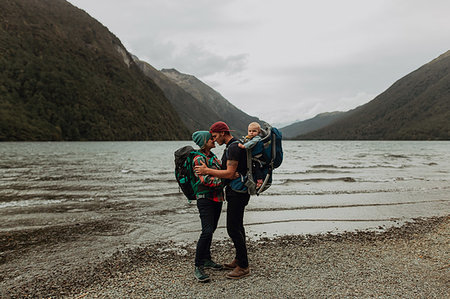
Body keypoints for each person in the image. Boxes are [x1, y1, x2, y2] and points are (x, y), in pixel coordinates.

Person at [194, 121, 251, 279]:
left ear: (222, 133)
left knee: (233, 228)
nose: (214, 139)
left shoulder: (233, 147)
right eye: (211, 137)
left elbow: (229, 173)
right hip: (238, 191)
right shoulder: (233, 146)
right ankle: (240, 259)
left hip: (237, 192)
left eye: (214, 136)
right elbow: (228, 172)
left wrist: (206, 170)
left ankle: (243, 266)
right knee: (238, 226)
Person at [191, 131, 225, 283]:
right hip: (205, 199)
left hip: (217, 199)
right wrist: (226, 179)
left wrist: (222, 175)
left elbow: (218, 172)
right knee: (207, 231)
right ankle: (198, 266)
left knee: (212, 229)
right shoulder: (198, 158)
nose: (213, 140)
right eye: (210, 138)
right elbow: (206, 180)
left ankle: (207, 259)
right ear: (204, 141)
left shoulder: (212, 157)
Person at [238, 122, 264, 188]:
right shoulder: (250, 138)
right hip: (252, 158)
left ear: (258, 132)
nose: (251, 133)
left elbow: (251, 143)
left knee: (257, 169)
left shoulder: (257, 138)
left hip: (257, 159)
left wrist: (244, 146)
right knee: (252, 169)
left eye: (254, 131)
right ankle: (253, 180)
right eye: (250, 131)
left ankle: (260, 181)